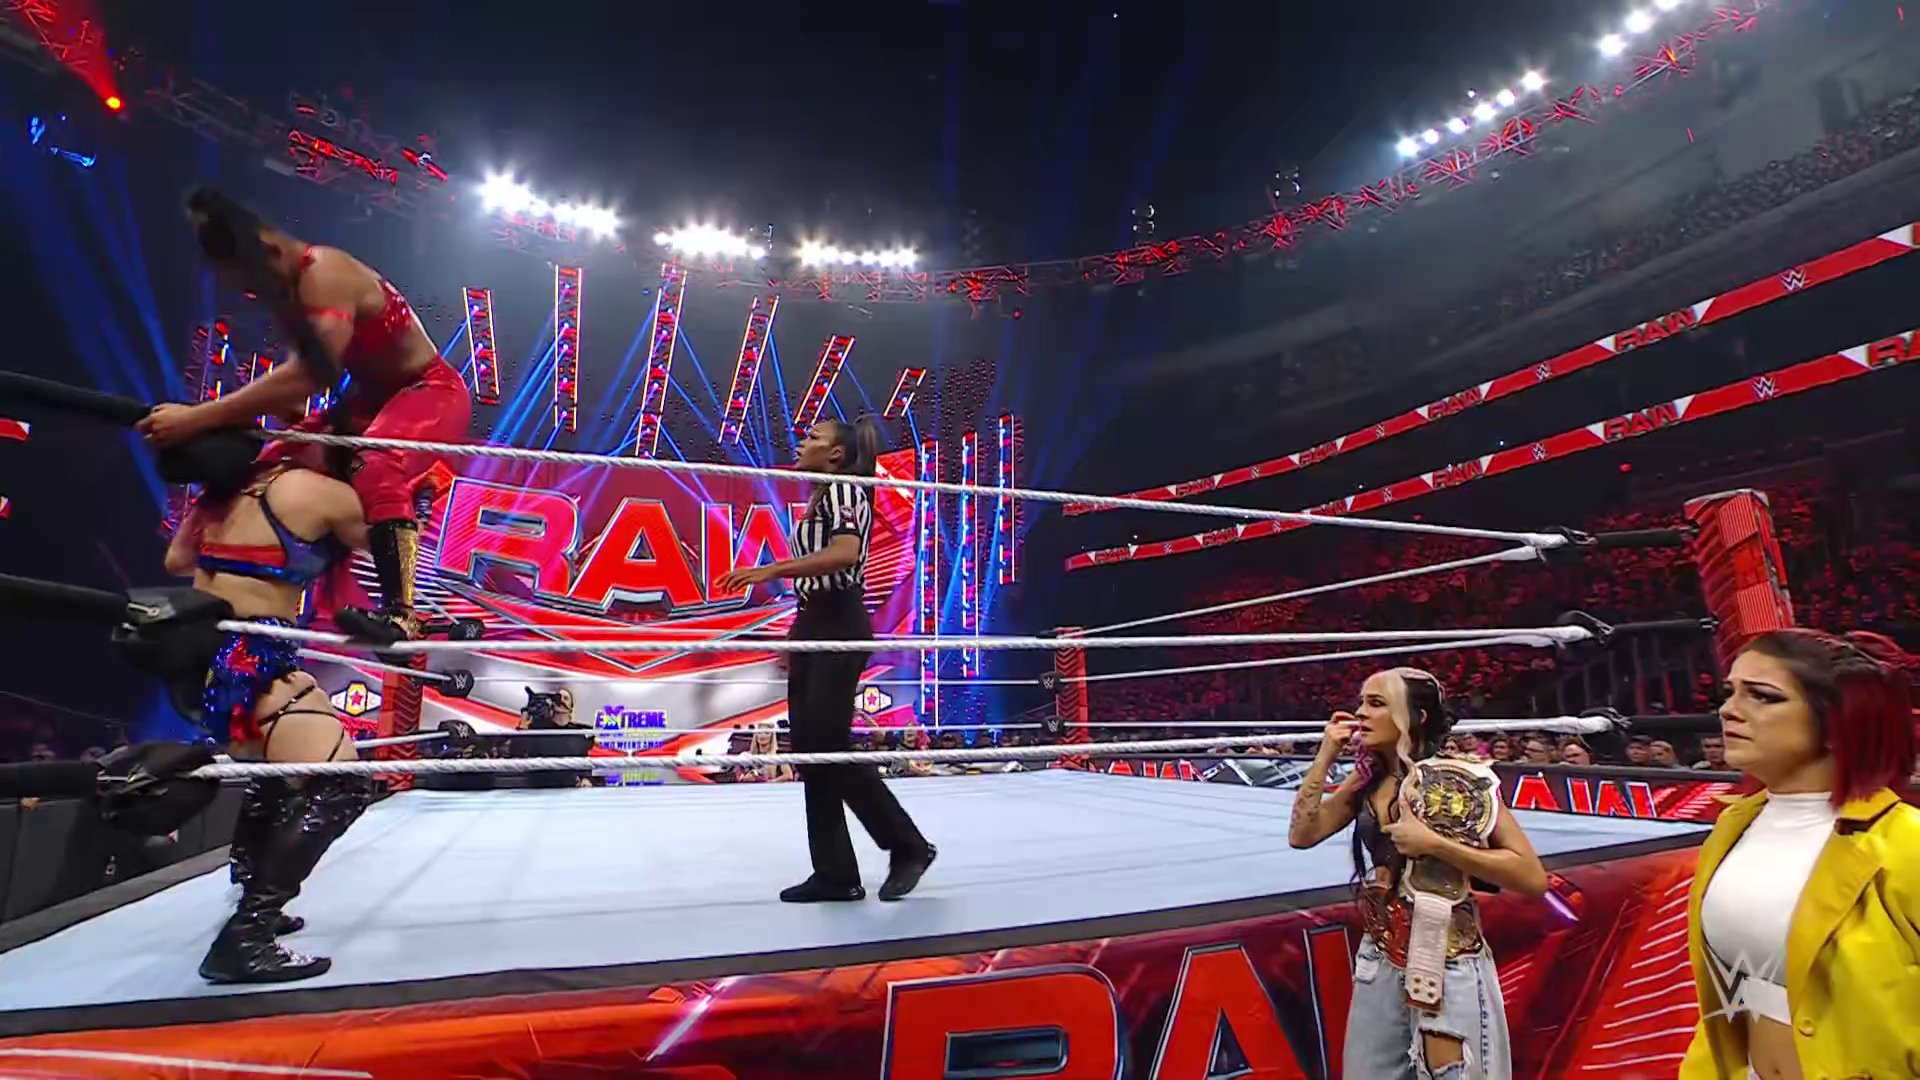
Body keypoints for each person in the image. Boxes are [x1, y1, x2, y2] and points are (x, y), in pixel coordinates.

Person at [138, 187, 471, 645]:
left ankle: (403, 617)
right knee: (274, 458)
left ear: (270, 251)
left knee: (374, 461)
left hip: (429, 392)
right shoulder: (291, 295)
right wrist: (253, 425)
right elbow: (293, 398)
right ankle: (200, 553)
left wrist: (198, 419)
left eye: (252, 280)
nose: (254, 293)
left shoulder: (325, 272)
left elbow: (311, 376)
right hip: (369, 402)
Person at [166, 457, 373, 984]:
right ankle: (248, 934)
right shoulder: (314, 490)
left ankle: (252, 898)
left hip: (204, 651)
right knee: (344, 783)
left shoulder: (226, 487)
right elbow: (386, 546)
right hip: (249, 653)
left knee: (278, 775)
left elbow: (177, 559)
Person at [1288, 668, 1549, 1080]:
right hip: (1380, 952)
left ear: (1418, 716)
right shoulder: (1368, 778)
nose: (1360, 713)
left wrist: (1436, 844)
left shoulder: (1459, 779)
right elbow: (1302, 835)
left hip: (1444, 955)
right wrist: (1325, 755)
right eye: (1362, 702)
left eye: (1376, 703)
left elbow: (1532, 877)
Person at [1681, 629, 1919, 1079]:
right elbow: (1729, 993)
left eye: (1763, 697)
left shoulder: (1907, 843)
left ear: (1836, 724)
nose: (1729, 710)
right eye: (1730, 692)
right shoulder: (1733, 825)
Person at [717, 417, 935, 903]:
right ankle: (835, 872)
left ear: (836, 454)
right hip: (814, 621)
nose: (803, 442)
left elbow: (844, 553)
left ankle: (908, 845)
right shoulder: (821, 498)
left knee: (828, 745)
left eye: (815, 437)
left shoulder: (843, 490)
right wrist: (796, 635)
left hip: (838, 619)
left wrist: (770, 570)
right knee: (811, 750)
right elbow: (817, 579)